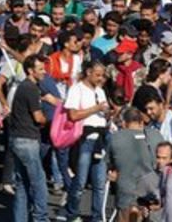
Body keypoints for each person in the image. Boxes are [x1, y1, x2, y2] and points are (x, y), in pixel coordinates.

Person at [63, 60, 111, 222]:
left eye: (102, 75)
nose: (100, 78)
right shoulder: (76, 90)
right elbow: (73, 115)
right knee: (80, 181)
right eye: (97, 75)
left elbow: (103, 113)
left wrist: (108, 113)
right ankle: (72, 214)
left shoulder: (101, 91)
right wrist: (95, 109)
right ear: (88, 72)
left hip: (101, 138)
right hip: (84, 138)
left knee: (99, 183)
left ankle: (97, 217)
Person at [6, 54, 49, 222]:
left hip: (18, 139)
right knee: (39, 183)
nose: (44, 71)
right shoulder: (30, 88)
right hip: (27, 140)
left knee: (22, 184)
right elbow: (38, 117)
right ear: (31, 71)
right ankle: (41, 218)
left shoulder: (25, 87)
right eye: (40, 69)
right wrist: (49, 121)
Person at [108, 106, 165, 222]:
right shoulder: (156, 135)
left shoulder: (116, 138)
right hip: (152, 192)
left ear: (124, 123)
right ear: (141, 121)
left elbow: (109, 166)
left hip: (126, 193)